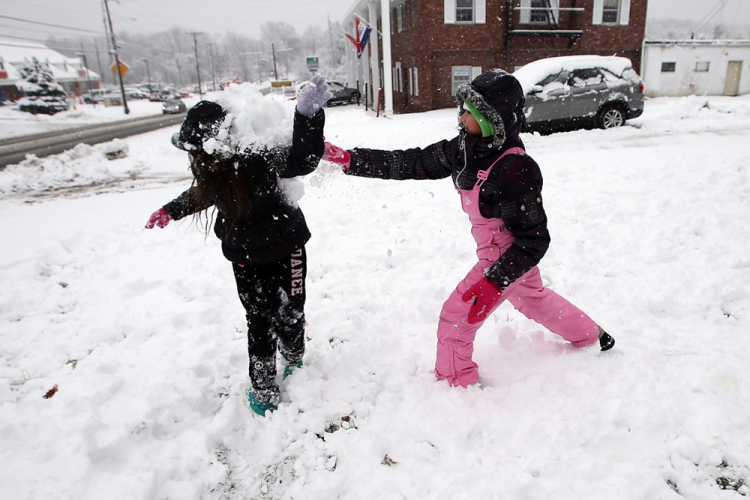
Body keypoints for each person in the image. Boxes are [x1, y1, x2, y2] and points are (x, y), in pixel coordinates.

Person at [322, 69, 615, 388]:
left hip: (508, 256)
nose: (461, 116)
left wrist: (494, 282)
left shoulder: (516, 168)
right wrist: (350, 159)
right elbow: (412, 162)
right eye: (462, 107)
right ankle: (593, 335)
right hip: (503, 255)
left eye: (470, 111)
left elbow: (533, 241)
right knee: (532, 298)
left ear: (494, 119)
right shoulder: (465, 149)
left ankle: (454, 385)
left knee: (456, 316)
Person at [145, 75, 332, 414]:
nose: (199, 159)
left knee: (290, 311)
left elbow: (302, 161)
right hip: (245, 257)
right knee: (259, 321)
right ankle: (263, 389)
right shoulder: (211, 170)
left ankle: (293, 357)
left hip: (286, 246)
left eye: (200, 152)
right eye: (195, 154)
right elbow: (203, 194)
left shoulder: (257, 154)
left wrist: (307, 116)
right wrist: (170, 210)